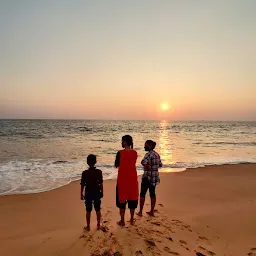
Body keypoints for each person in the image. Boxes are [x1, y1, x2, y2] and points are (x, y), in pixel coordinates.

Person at [115, 135, 139, 226]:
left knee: (122, 201)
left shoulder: (120, 153)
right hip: (132, 180)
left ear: (125, 142)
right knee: (132, 200)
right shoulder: (135, 153)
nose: (121, 142)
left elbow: (116, 164)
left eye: (122, 141)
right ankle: (132, 219)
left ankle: (122, 221)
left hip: (122, 180)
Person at [137, 140, 162, 217]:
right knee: (152, 194)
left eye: (146, 145)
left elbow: (142, 162)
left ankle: (140, 212)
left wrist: (147, 166)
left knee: (142, 194)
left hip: (147, 177)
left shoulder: (148, 155)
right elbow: (160, 165)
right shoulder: (157, 155)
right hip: (154, 178)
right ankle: (151, 211)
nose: (144, 147)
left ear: (150, 146)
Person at [80, 154, 103, 231]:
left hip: (88, 193)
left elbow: (82, 185)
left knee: (88, 210)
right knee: (98, 209)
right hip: (96, 191)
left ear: (87, 162)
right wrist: (102, 192)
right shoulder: (99, 172)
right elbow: (101, 183)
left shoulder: (85, 173)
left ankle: (88, 226)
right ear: (95, 162)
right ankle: (98, 225)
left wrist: (81, 194)